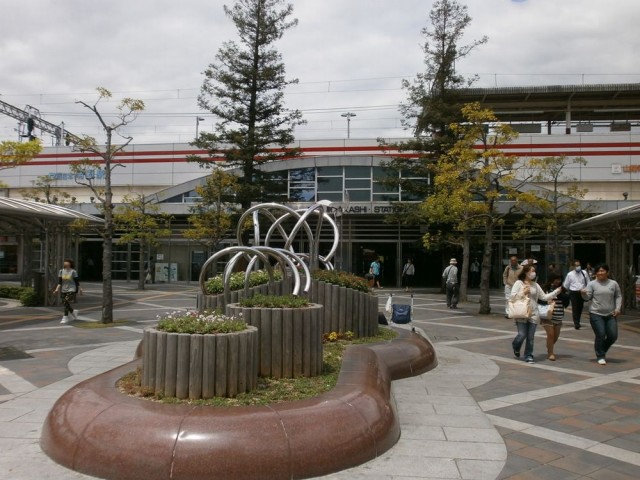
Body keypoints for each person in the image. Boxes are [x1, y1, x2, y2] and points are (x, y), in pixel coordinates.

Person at [510, 265, 562, 364]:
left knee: (530, 337)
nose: (533, 273)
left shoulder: (536, 285)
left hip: (533, 313)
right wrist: (523, 292)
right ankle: (516, 346)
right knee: (522, 334)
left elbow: (544, 297)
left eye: (534, 271)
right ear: (526, 272)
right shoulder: (518, 283)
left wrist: (556, 292)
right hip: (521, 312)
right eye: (531, 271)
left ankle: (528, 355)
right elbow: (512, 297)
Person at [581, 264, 622, 365]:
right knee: (601, 334)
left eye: (602, 271)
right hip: (596, 313)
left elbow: (618, 296)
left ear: (607, 272)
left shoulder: (613, 284)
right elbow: (587, 298)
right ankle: (600, 355)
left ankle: (601, 349)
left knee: (613, 336)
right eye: (598, 271)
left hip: (610, 314)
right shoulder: (592, 284)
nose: (600, 273)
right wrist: (583, 293)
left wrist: (617, 308)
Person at [539, 275, 570, 361]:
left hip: (558, 316)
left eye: (559, 279)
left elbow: (566, 303)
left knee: (555, 337)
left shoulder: (563, 290)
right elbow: (540, 299)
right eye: (556, 279)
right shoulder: (545, 288)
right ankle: (551, 353)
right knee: (551, 335)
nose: (557, 281)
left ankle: (549, 346)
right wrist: (549, 298)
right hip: (547, 316)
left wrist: (559, 294)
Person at [53, 259, 83, 324]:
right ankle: (73, 311)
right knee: (65, 303)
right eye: (64, 262)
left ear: (70, 264)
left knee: (66, 301)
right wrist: (56, 289)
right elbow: (60, 282)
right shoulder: (61, 271)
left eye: (67, 262)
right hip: (64, 289)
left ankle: (65, 317)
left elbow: (76, 282)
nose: (65, 263)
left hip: (71, 288)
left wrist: (80, 289)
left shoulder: (73, 271)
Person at [563, 259, 590, 329]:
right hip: (573, 292)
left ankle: (578, 320)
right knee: (575, 308)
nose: (578, 267)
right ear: (573, 266)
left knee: (580, 307)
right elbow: (566, 285)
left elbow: (589, 282)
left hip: (582, 292)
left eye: (579, 265)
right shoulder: (570, 274)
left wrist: (586, 290)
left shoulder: (584, 273)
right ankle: (576, 323)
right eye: (576, 265)